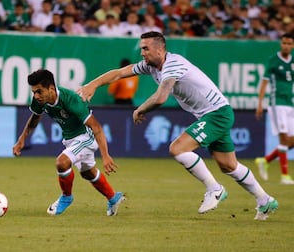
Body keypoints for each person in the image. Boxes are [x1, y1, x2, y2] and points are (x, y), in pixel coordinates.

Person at [78, 31, 278, 220]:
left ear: (159, 50)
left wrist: (140, 109)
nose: (142, 53)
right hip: (213, 114)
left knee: (178, 149)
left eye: (146, 48)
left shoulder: (173, 65)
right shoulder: (150, 66)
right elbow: (119, 73)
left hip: (216, 114)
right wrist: (92, 85)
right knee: (228, 165)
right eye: (141, 49)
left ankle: (214, 189)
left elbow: (161, 97)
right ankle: (265, 200)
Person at [13, 69, 125, 216]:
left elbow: (96, 127)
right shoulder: (40, 100)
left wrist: (105, 155)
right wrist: (22, 139)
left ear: (51, 88)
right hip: (70, 139)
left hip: (86, 137)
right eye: (33, 92)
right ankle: (113, 197)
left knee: (62, 163)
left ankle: (66, 197)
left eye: (39, 91)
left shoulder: (70, 99)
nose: (36, 96)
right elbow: (35, 117)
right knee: (88, 173)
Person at [255, 33, 294, 185]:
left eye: (289, 43)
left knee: (291, 141)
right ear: (280, 44)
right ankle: (285, 176)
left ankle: (264, 160)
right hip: (276, 103)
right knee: (283, 140)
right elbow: (264, 83)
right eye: (284, 43)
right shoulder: (273, 60)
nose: (286, 46)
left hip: (290, 103)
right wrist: (260, 103)